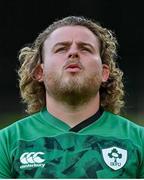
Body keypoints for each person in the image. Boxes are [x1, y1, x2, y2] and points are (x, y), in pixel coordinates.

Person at [0, 16, 144, 179]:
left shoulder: (138, 140)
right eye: (61, 49)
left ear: (104, 72)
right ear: (40, 72)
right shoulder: (6, 142)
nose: (73, 52)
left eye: (85, 49)